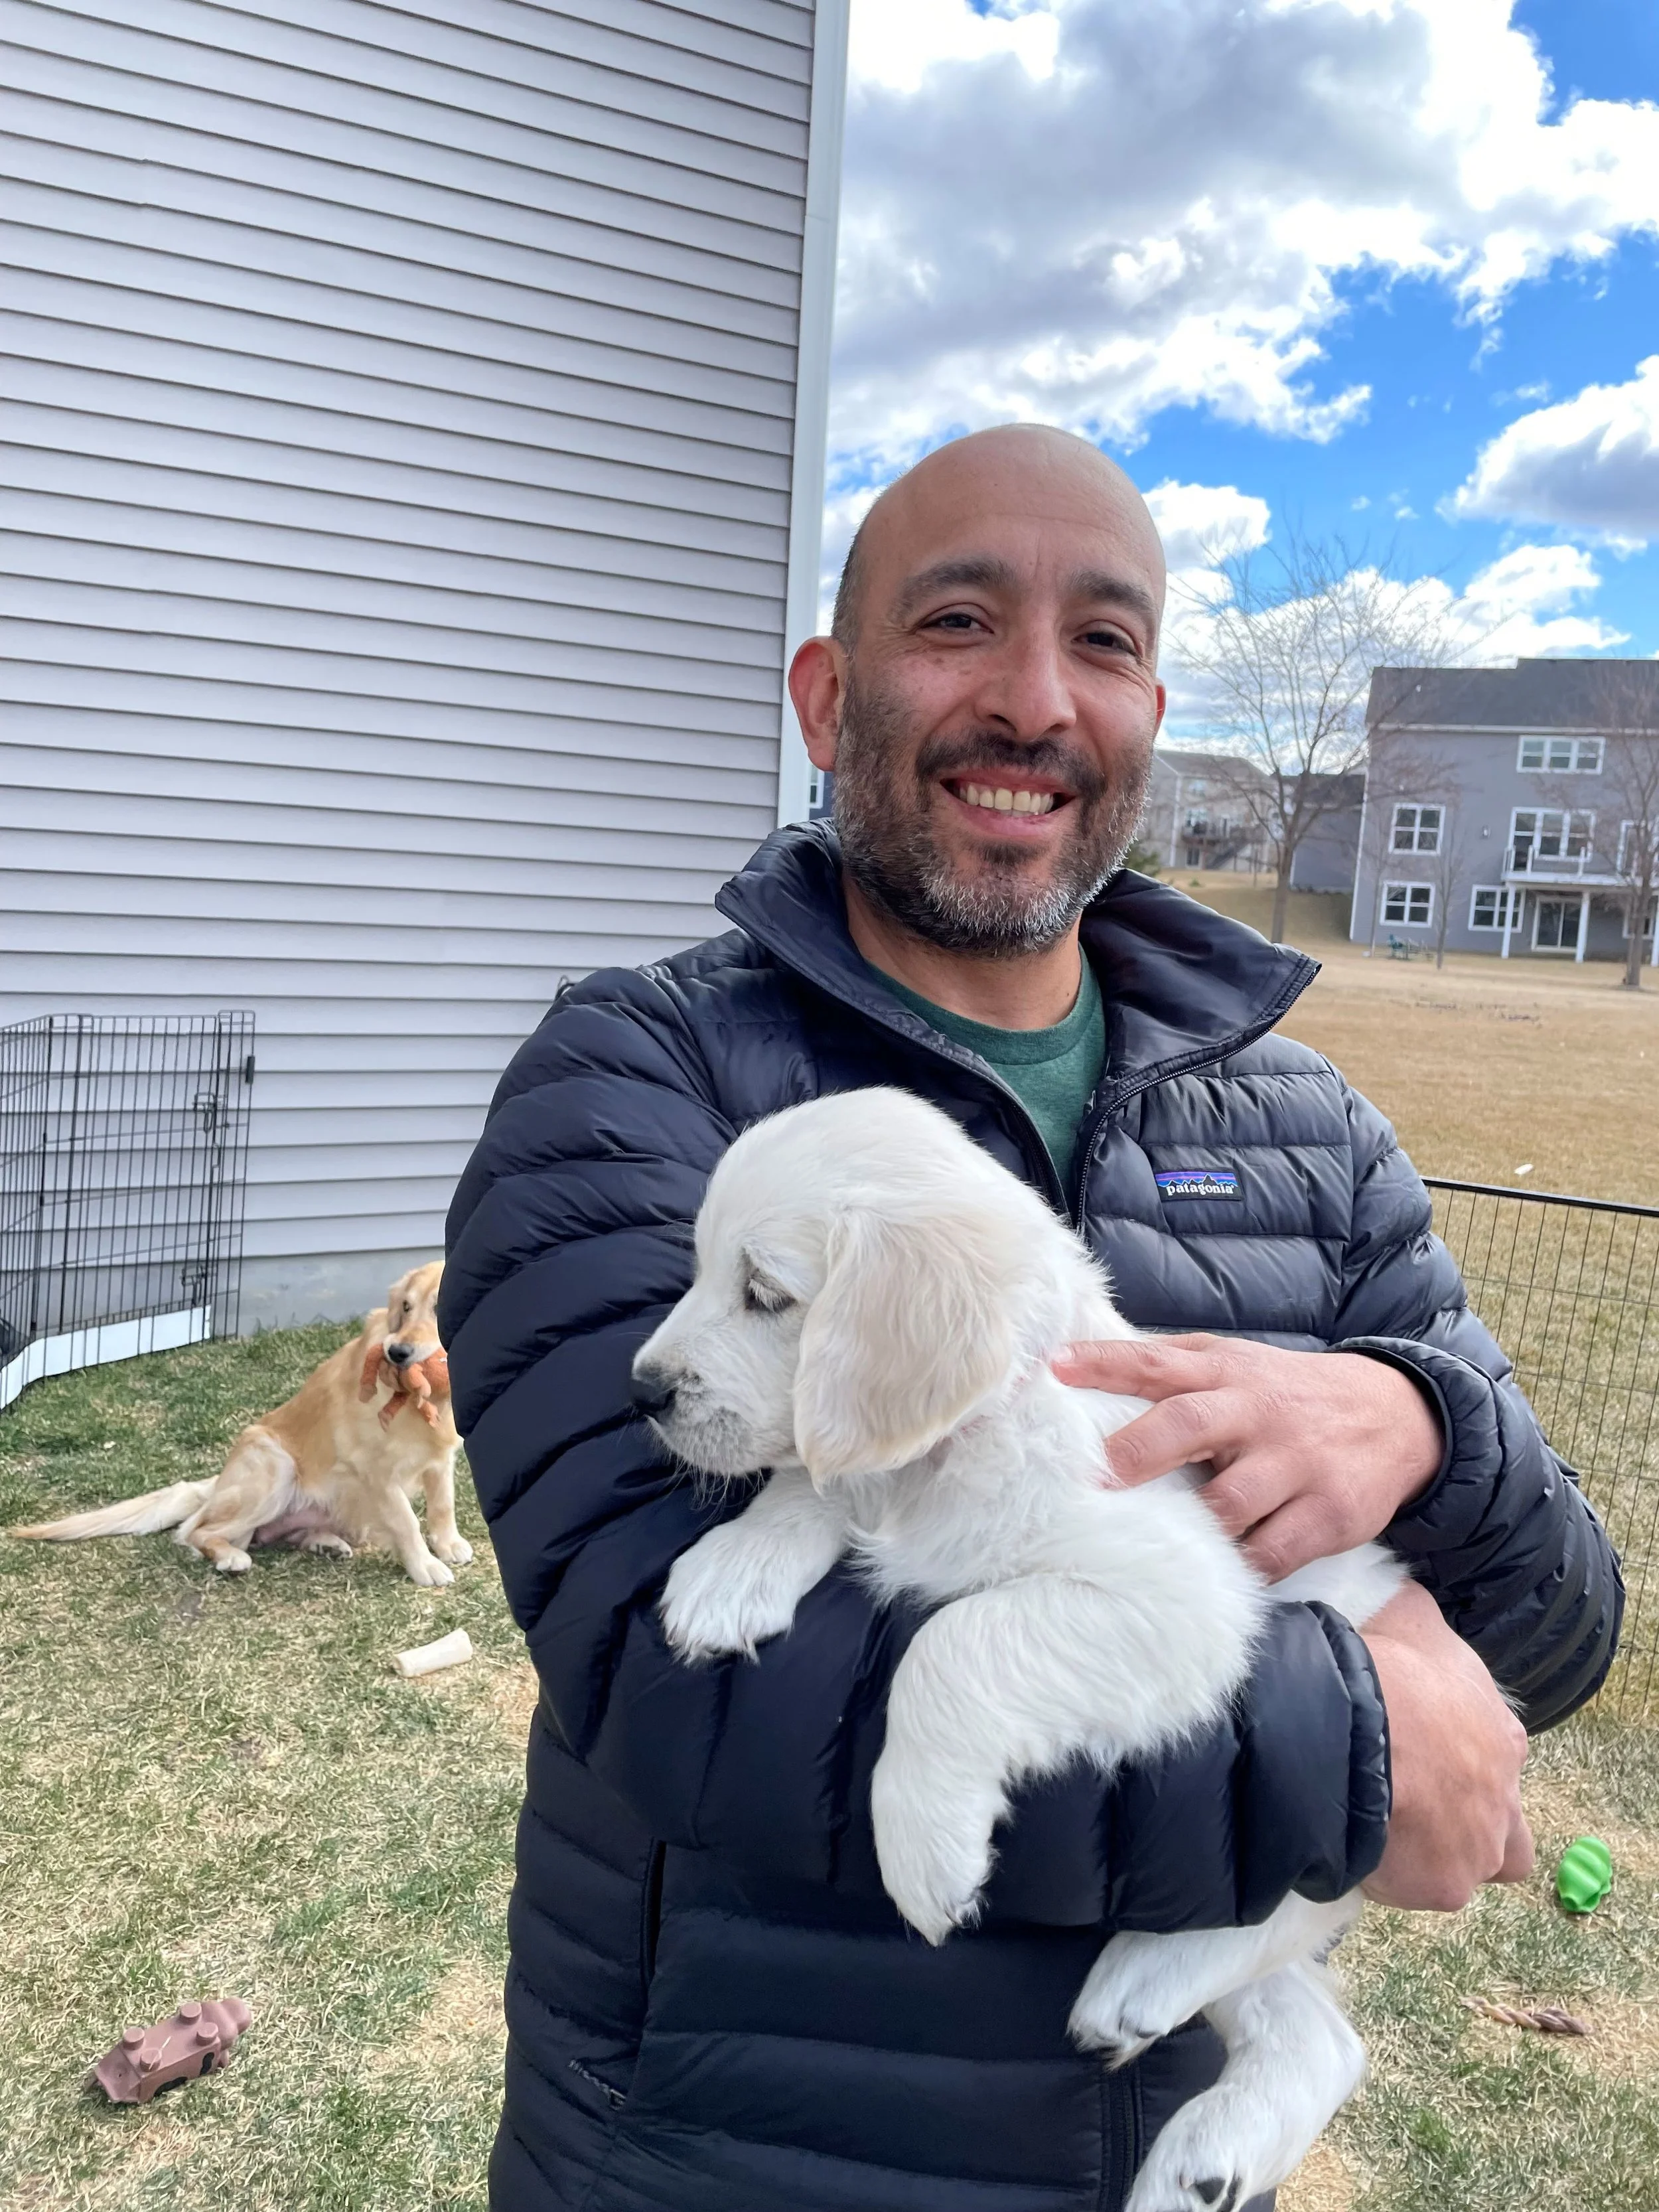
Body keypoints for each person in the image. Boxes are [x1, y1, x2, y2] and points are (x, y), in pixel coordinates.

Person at [442, 425, 1621, 2212]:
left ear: (1149, 708)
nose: (1030, 699)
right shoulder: (639, 1077)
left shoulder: (1309, 1131)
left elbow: (1552, 1634)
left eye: (1104, 639)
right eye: (957, 622)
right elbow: (664, 1662)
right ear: (827, 695)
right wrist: (1361, 1757)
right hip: (736, 2159)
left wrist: (1419, 1426)